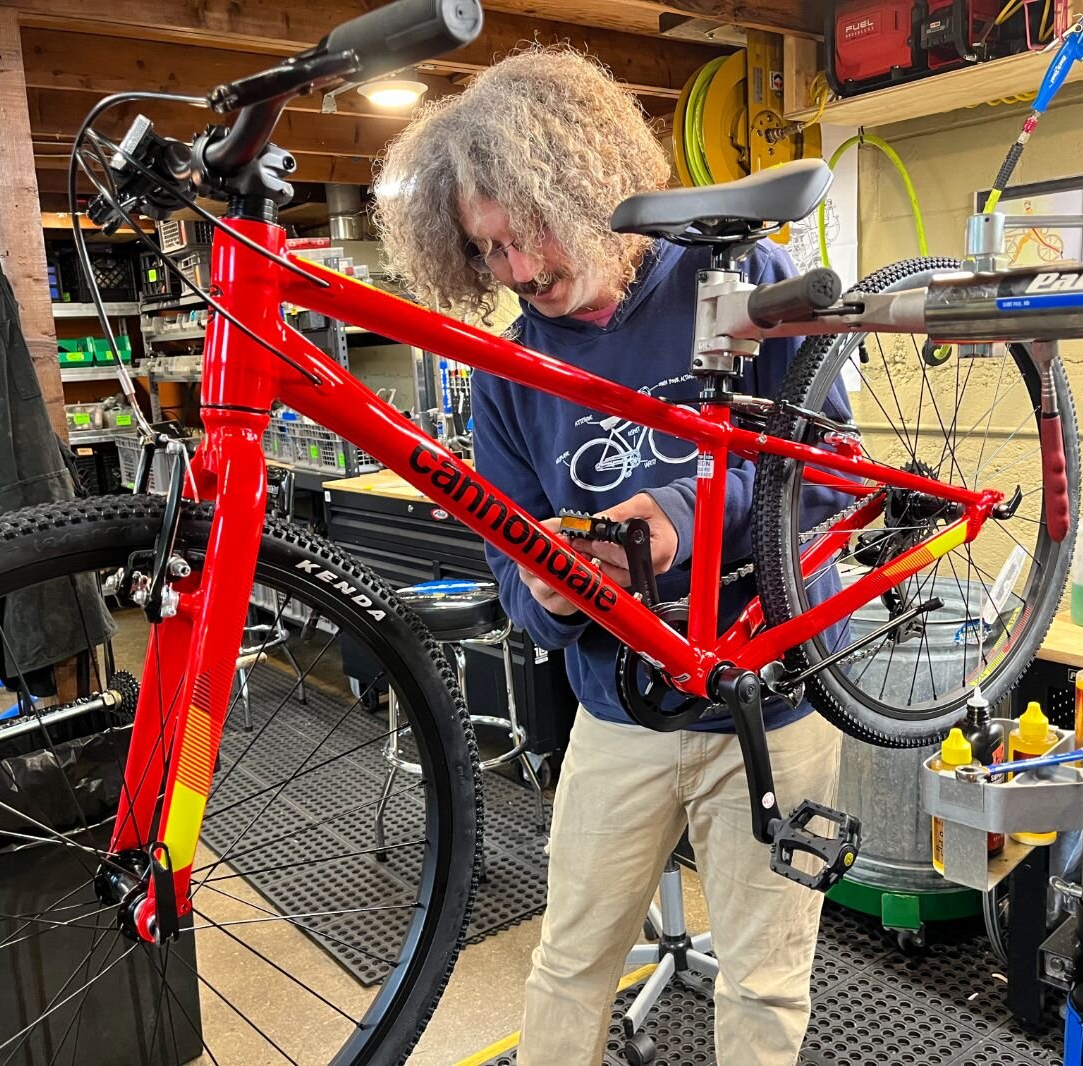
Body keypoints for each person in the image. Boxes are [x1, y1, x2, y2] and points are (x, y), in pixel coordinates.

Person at [374, 47, 854, 1066]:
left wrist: (676, 514)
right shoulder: (508, 371)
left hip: (769, 697)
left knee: (764, 984)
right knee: (567, 962)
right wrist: (548, 590)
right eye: (486, 251)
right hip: (620, 706)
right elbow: (511, 569)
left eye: (527, 234)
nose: (518, 271)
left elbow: (831, 475)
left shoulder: (742, 281)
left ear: (584, 185)